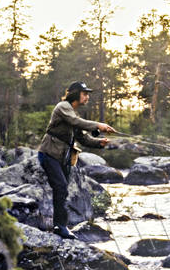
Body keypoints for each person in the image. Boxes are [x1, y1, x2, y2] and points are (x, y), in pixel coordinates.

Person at [37, 81, 116, 239]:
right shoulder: (63, 107)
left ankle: (60, 225)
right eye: (84, 93)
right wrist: (98, 125)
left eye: (87, 94)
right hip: (49, 154)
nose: (87, 97)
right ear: (74, 93)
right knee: (61, 187)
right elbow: (76, 122)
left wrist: (99, 143)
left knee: (62, 190)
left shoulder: (72, 113)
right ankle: (60, 226)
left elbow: (83, 138)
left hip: (62, 158)